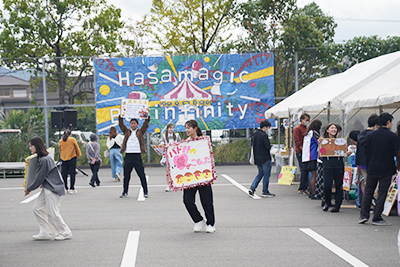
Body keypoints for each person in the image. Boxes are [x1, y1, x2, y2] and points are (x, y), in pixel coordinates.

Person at [25, 136, 72, 241]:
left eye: (31, 146)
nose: (30, 148)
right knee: (37, 208)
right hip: (49, 187)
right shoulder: (44, 158)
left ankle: (65, 231)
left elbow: (39, 177)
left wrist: (29, 188)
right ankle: (45, 231)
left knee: (52, 212)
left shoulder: (44, 160)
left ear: (36, 146)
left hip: (52, 188)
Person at [359, 112, 400, 226]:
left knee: (368, 191)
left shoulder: (371, 135)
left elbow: (366, 151)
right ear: (388, 122)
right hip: (386, 168)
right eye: (391, 122)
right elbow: (396, 152)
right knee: (382, 193)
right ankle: (377, 217)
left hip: (372, 167)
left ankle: (364, 215)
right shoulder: (393, 136)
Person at [183, 120, 216, 233]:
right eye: (185, 128)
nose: (186, 130)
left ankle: (210, 224)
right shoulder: (184, 143)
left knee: (206, 201)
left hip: (203, 175)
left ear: (195, 128)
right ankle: (198, 220)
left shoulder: (203, 141)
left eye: (188, 128)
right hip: (190, 177)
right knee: (187, 200)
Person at [118, 109, 150, 198]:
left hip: (137, 156)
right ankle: (125, 192)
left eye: (134, 123)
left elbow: (146, 124)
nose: (133, 125)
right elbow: (121, 124)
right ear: (130, 124)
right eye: (131, 123)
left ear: (137, 124)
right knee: (126, 176)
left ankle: (145, 192)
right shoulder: (127, 131)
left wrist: (147, 114)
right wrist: (121, 115)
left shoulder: (140, 132)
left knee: (141, 175)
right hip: (128, 156)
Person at [356, 114, 379, 206]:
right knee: (375, 184)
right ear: (376, 125)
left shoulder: (361, 134)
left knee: (367, 184)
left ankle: (367, 204)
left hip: (362, 164)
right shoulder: (373, 135)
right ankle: (373, 200)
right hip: (372, 163)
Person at [320, 123, 345, 212]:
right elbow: (321, 153)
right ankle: (327, 202)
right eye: (332, 128)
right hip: (327, 165)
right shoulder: (323, 141)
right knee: (327, 185)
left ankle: (337, 205)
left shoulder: (340, 142)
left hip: (338, 165)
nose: (334, 129)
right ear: (327, 130)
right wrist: (321, 146)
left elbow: (343, 153)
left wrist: (346, 152)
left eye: (335, 128)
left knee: (339, 185)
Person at [248, 120, 275, 198]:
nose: (268, 129)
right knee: (266, 174)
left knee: (260, 173)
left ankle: (252, 188)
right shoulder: (264, 135)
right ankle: (265, 191)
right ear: (264, 127)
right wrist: (270, 146)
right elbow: (267, 146)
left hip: (257, 158)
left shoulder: (254, 134)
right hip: (265, 158)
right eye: (268, 128)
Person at [302, 119, 322, 199]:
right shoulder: (314, 133)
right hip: (312, 156)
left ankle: (311, 192)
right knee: (314, 175)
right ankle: (314, 192)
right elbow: (320, 142)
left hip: (306, 157)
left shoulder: (308, 133)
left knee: (312, 175)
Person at [59, 129, 82, 194]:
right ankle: (72, 188)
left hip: (63, 158)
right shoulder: (72, 139)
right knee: (72, 173)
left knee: (64, 174)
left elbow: (60, 149)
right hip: (72, 158)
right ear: (70, 134)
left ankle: (65, 188)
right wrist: (79, 154)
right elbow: (77, 148)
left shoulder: (61, 141)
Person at [160, 123, 181, 192]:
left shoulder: (177, 135)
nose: (171, 129)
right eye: (170, 128)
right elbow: (161, 142)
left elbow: (180, 144)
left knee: (175, 171)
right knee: (167, 171)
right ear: (167, 129)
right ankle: (169, 185)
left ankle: (176, 184)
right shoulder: (164, 136)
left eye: (172, 128)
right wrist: (162, 144)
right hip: (167, 156)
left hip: (175, 156)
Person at [294, 113, 310, 195]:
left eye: (308, 120)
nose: (307, 121)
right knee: (303, 169)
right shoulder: (297, 129)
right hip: (300, 152)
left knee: (306, 169)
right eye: (306, 120)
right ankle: (302, 187)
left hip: (306, 152)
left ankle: (304, 187)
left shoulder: (306, 128)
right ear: (302, 120)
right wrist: (302, 149)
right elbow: (297, 141)